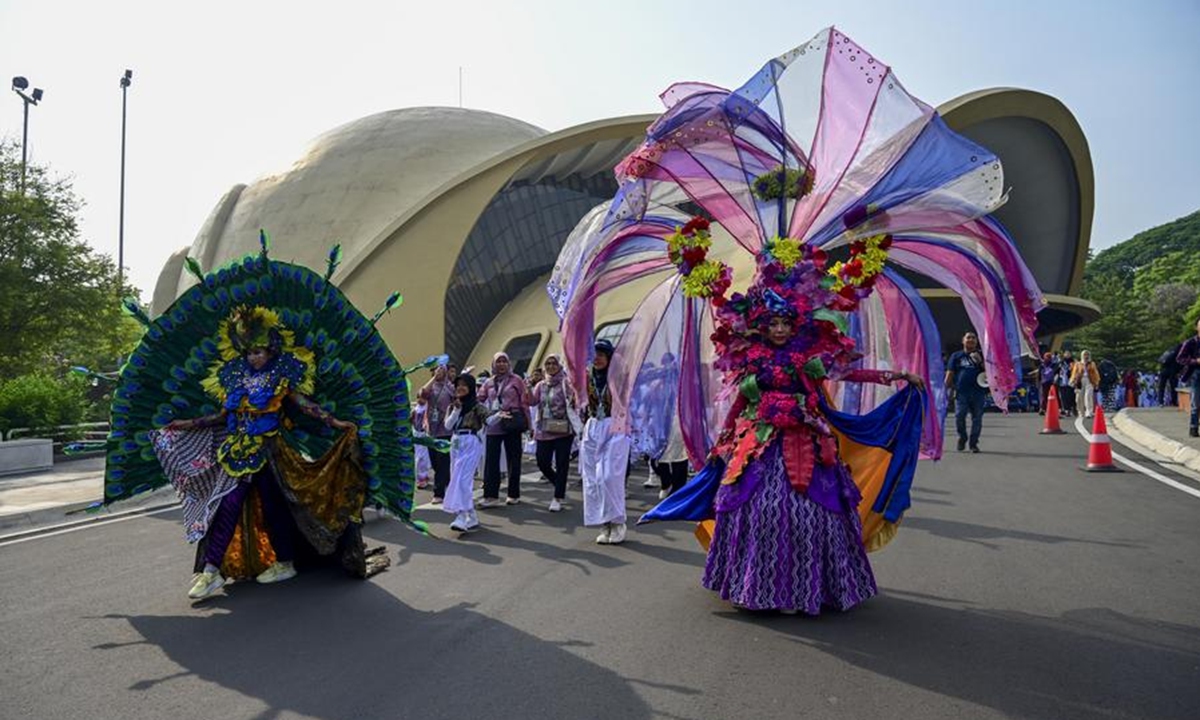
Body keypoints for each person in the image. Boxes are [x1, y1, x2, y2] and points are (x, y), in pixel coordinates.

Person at [157, 307, 363, 599]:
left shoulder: (281, 376)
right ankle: (211, 571)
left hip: (269, 452)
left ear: (271, 350)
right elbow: (221, 415)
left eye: (259, 351)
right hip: (237, 451)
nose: (254, 356)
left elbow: (305, 405)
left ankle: (284, 561)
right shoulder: (236, 377)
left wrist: (335, 422)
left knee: (274, 506)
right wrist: (187, 424)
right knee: (227, 505)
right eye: (249, 351)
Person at [580, 338, 631, 544]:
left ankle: (618, 521)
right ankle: (604, 522)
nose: (597, 358)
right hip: (593, 425)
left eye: (602, 354)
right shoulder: (587, 377)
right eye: (594, 354)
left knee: (609, 476)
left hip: (615, 424)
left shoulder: (619, 377)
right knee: (592, 479)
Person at [442, 374, 496, 531]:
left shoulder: (477, 406)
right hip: (456, 442)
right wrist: (456, 411)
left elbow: (489, 419)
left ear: (471, 387)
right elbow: (448, 425)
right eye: (458, 385)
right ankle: (471, 516)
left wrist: (499, 415)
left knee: (463, 481)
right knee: (456, 479)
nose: (460, 387)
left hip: (471, 442)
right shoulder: (454, 406)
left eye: (464, 385)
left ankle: (460, 517)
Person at [478, 352, 531, 507]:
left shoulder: (517, 380)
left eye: (504, 361)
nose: (501, 364)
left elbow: (524, 403)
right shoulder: (488, 382)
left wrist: (528, 424)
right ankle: (491, 496)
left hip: (512, 421)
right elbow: (479, 399)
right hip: (494, 422)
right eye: (498, 361)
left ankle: (513, 494)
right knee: (491, 460)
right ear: (494, 364)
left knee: (513, 459)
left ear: (509, 364)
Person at [532, 354, 577, 512]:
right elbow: (532, 401)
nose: (551, 366)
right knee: (542, 461)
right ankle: (560, 483)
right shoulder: (541, 385)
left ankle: (557, 497)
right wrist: (524, 392)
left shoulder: (566, 383)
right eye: (548, 363)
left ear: (559, 365)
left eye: (554, 363)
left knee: (562, 463)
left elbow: (574, 402)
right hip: (544, 428)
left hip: (562, 429)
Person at [419, 361, 455, 503]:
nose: (439, 372)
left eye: (441, 369)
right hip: (431, 431)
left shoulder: (450, 387)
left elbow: (457, 399)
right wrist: (434, 378)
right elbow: (421, 393)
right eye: (436, 370)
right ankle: (447, 481)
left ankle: (438, 493)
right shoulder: (431, 387)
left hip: (445, 430)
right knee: (434, 462)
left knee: (442, 462)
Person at [945, 332, 987, 453]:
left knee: (977, 418)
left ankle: (973, 443)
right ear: (963, 340)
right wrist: (944, 389)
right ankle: (962, 437)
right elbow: (950, 373)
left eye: (973, 338)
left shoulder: (981, 355)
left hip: (978, 392)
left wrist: (980, 362)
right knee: (959, 416)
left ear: (977, 341)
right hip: (961, 392)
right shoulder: (956, 356)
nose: (971, 340)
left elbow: (990, 372)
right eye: (968, 337)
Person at [1175, 320, 1200, 437]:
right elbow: (1180, 358)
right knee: (1195, 402)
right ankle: (1193, 427)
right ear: (1196, 327)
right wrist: (1195, 361)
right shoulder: (1190, 343)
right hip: (1196, 373)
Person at [1071, 350, 1100, 419]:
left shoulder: (1092, 364)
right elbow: (1074, 373)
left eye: (1087, 355)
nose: (1086, 356)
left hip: (1089, 381)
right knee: (1079, 398)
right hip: (1080, 381)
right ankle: (1081, 412)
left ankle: (1089, 412)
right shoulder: (1078, 364)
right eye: (1084, 355)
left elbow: (1096, 373)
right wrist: (1072, 381)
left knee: (1088, 396)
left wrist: (1096, 382)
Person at [1159, 342, 1182, 407]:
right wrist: (1179, 371)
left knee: (1161, 387)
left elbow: (1161, 360)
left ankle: (1161, 402)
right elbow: (1179, 364)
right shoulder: (1178, 353)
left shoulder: (1168, 351)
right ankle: (1174, 402)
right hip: (1172, 372)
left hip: (1163, 371)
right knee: (1173, 387)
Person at [1057, 350, 1077, 417]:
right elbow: (1056, 370)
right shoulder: (1061, 362)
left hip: (1070, 381)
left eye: (1068, 353)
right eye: (1066, 354)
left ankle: (1073, 408)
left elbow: (1076, 371)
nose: (1067, 355)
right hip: (1062, 382)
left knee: (1071, 396)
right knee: (1063, 397)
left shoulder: (1073, 362)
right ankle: (1066, 410)